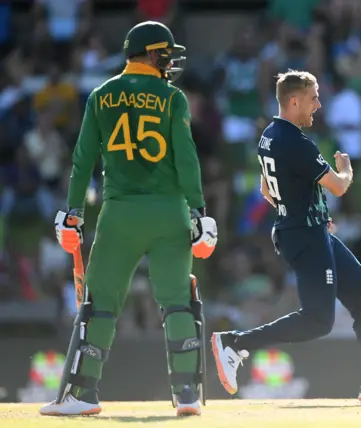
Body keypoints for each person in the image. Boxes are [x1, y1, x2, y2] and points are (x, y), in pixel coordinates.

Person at [39, 21, 217, 417]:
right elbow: (186, 159)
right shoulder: (172, 98)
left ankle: (84, 393)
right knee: (176, 302)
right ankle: (187, 393)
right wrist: (199, 212)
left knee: (100, 302)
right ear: (152, 54)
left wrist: (73, 213)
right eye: (166, 54)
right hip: (170, 212)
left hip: (119, 214)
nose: (169, 62)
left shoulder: (101, 95)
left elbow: (83, 160)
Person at [210, 70, 361, 403]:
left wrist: (310, 214)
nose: (318, 105)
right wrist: (347, 168)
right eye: (313, 98)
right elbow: (338, 185)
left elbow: (267, 189)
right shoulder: (297, 143)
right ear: (294, 101)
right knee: (318, 320)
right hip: (305, 235)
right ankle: (235, 343)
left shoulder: (269, 135)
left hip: (304, 230)